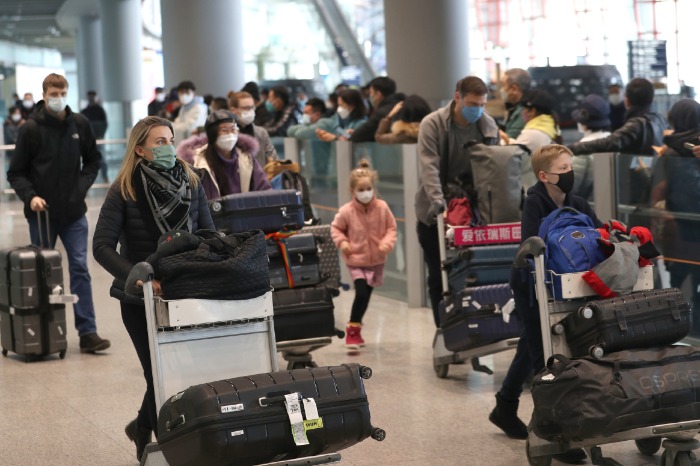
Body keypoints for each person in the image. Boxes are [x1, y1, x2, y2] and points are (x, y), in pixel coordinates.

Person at [92, 116, 215, 460]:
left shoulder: (192, 180)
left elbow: (208, 231)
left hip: (186, 292)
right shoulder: (124, 189)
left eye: (171, 139)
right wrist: (139, 276)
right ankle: (171, 445)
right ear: (141, 150)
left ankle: (141, 425)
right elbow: (101, 246)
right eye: (159, 142)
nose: (168, 147)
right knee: (159, 375)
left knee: (179, 373)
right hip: (140, 297)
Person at [488, 144, 601, 464]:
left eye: (570, 167)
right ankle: (552, 433)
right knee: (542, 356)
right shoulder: (534, 203)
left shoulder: (579, 204)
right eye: (563, 169)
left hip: (566, 287)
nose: (570, 173)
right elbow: (531, 246)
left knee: (531, 343)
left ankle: (505, 406)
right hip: (530, 285)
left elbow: (599, 234)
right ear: (544, 175)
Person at [7, 73, 110, 354]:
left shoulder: (80, 124)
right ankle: (41, 333)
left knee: (79, 268)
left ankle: (87, 332)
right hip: (42, 214)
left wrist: (81, 187)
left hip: (74, 212)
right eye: (54, 93)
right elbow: (16, 173)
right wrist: (31, 197)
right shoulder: (30, 129)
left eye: (62, 92)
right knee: (43, 273)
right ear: (44, 94)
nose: (58, 97)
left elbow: (92, 160)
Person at [414, 76, 500, 327]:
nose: (478, 109)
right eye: (473, 103)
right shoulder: (433, 124)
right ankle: (444, 329)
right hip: (433, 210)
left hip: (471, 213)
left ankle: (474, 325)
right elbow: (429, 166)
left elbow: (491, 168)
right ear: (457, 97)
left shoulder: (487, 125)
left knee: (472, 272)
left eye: (482, 104)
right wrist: (438, 203)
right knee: (438, 274)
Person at [331, 161, 397, 349]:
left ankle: (356, 330)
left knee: (366, 296)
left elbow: (391, 228)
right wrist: (342, 242)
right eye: (361, 189)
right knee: (361, 292)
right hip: (356, 260)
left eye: (369, 188)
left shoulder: (382, 208)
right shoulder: (346, 211)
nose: (366, 192)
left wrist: (386, 243)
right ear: (353, 191)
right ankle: (352, 331)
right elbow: (336, 228)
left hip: (376, 261)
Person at [650, 99, 700, 331]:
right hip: (695, 225)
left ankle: (679, 329)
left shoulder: (668, 152)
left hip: (678, 229)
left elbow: (657, 191)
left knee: (677, 282)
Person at [569, 78, 667, 156]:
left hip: (639, 178)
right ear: (652, 99)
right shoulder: (659, 119)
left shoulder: (636, 124)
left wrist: (570, 149)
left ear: (626, 101)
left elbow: (609, 143)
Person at [189, 110, 271, 199]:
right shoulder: (198, 161)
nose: (230, 135)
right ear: (213, 134)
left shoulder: (247, 158)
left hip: (242, 209)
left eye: (233, 130)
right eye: (224, 130)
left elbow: (264, 189)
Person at [502, 89, 561, 191]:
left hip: (529, 191)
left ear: (532, 111)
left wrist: (501, 140)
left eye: (523, 109)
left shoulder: (534, 133)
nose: (522, 113)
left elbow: (511, 160)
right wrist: (507, 140)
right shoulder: (546, 128)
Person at [570, 94, 612, 199]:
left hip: (589, 207)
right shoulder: (612, 139)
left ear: (583, 122)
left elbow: (572, 186)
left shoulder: (581, 147)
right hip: (613, 203)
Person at [291, 89, 367, 142]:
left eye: (342, 105)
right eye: (338, 105)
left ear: (352, 105)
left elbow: (351, 141)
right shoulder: (341, 122)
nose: (339, 109)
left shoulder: (361, 124)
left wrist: (334, 139)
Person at [229, 91, 278, 166]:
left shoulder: (261, 132)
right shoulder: (228, 135)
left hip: (262, 176)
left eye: (252, 107)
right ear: (233, 111)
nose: (250, 111)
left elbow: (274, 159)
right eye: (246, 108)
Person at [350, 76, 404, 142]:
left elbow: (358, 136)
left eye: (371, 93)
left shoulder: (381, 113)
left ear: (378, 95)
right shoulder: (404, 105)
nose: (370, 96)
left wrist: (354, 133)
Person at [81, 91, 110, 182]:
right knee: (87, 160)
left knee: (102, 159)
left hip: (99, 139)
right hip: (87, 140)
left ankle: (105, 177)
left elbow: (105, 124)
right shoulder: (84, 111)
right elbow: (81, 125)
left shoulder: (100, 110)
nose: (91, 99)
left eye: (93, 97)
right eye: (90, 97)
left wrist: (100, 134)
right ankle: (86, 179)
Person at [499, 68, 531, 139]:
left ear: (514, 89)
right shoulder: (514, 108)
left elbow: (509, 140)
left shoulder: (524, 112)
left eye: (503, 85)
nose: (501, 90)